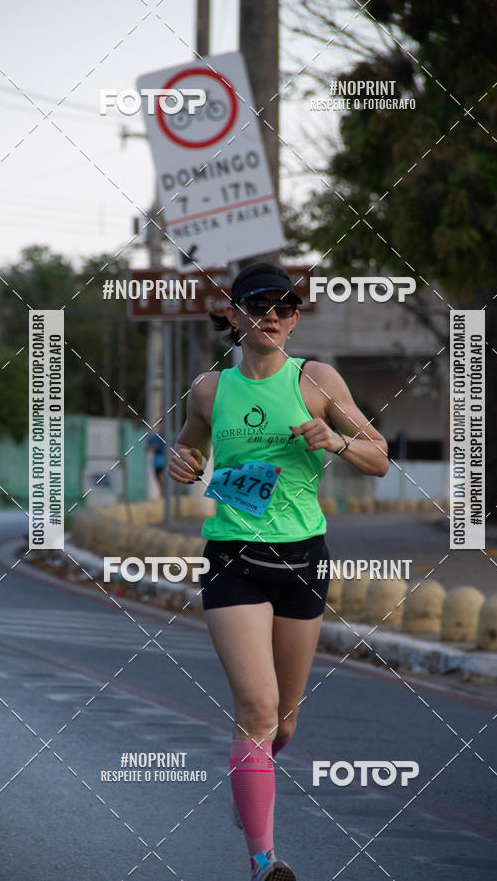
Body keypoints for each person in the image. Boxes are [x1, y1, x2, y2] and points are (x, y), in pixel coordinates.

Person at [168, 262, 389, 881]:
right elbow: (188, 449)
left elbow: (380, 459)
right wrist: (182, 465)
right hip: (233, 556)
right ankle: (264, 860)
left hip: (302, 559)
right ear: (233, 314)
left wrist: (336, 441)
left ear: (295, 319)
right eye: (258, 305)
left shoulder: (315, 379)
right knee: (257, 705)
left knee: (283, 719)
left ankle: (250, 776)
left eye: (286, 307)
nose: (272, 315)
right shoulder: (210, 388)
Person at [146, 420, 166, 497]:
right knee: (158, 477)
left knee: (162, 477)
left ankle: (163, 494)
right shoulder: (154, 437)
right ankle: (162, 494)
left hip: (164, 459)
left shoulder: (168, 436)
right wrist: (152, 447)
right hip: (157, 459)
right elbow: (146, 449)